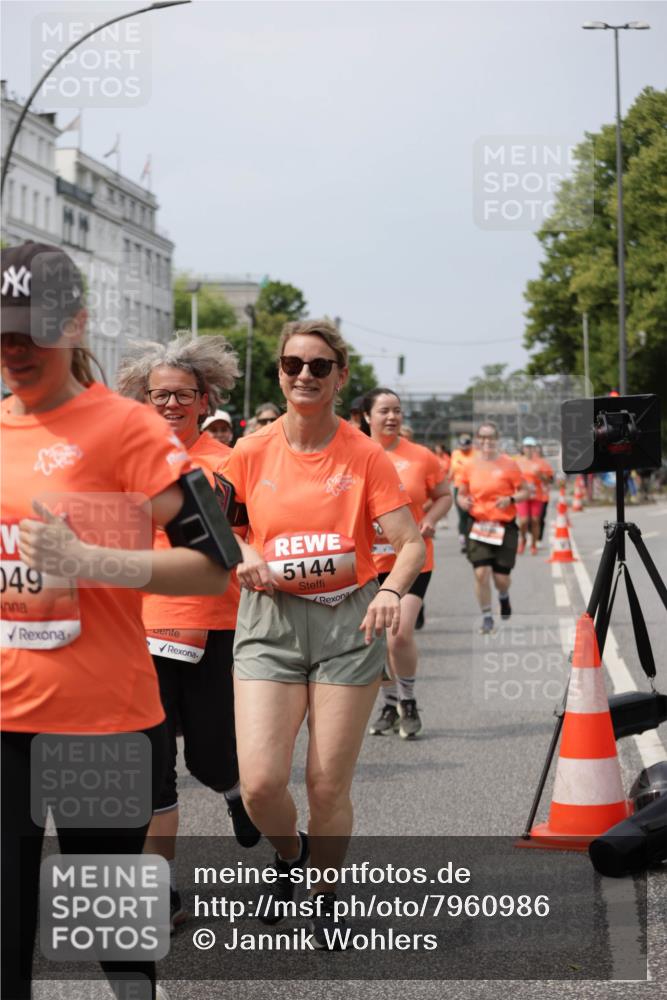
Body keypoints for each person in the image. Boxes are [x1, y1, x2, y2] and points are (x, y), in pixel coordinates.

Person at [1, 243, 231, 1000]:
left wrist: (93, 559)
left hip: (99, 722)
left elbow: (212, 564)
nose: (13, 351)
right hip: (5, 722)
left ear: (74, 322)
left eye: (30, 332)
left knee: (111, 939)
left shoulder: (126, 429)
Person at [221, 319, 425, 945]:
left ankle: (325, 891)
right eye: (291, 365)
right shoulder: (251, 450)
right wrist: (241, 550)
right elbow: (214, 522)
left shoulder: (364, 454)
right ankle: (291, 853)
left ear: (339, 376)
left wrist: (392, 589)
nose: (303, 375)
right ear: (279, 373)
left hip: (348, 619)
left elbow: (409, 544)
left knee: (326, 782)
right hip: (269, 621)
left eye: (318, 366)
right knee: (258, 784)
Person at [116, 333, 260, 936]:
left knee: (211, 757)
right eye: (158, 396)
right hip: (137, 631)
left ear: (204, 400)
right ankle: (162, 891)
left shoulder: (230, 462)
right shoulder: (121, 459)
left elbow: (259, 531)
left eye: (181, 395)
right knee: (150, 767)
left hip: (213, 626)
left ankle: (237, 795)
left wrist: (253, 555)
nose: (169, 405)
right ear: (143, 401)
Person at [364, 389, 452, 738]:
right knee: (376, 640)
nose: (392, 417)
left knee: (399, 634)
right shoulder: (355, 455)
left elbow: (445, 495)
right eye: (384, 411)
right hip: (366, 563)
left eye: (397, 411)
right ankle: (389, 703)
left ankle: (409, 700)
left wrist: (431, 518)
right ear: (367, 417)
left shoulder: (422, 457)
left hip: (412, 560)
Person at [456, 422, 529, 634]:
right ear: (478, 440)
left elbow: (525, 491)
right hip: (478, 525)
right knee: (481, 573)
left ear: (497, 439)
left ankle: (504, 596)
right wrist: (463, 502)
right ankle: (487, 616)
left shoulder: (509, 464)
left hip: (504, 526)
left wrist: (511, 499)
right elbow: (461, 493)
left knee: (501, 579)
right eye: (483, 437)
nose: (487, 442)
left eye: (491, 437)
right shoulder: (469, 465)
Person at [515, 436, 553, 554]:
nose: (529, 449)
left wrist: (540, 475)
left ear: (535, 448)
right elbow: (511, 478)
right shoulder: (517, 462)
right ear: (523, 448)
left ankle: (534, 544)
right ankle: (523, 539)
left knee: (535, 520)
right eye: (527, 447)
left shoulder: (541, 463)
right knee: (524, 521)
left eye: (531, 447)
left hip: (537, 495)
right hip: (522, 495)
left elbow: (549, 480)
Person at [450, 433, 475, 552]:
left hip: (473, 488)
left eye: (467, 446)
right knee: (462, 514)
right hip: (458, 487)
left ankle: (473, 539)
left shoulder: (476, 454)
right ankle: (464, 539)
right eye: (462, 446)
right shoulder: (455, 454)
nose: (464, 449)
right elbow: (452, 470)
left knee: (472, 514)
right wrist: (445, 482)